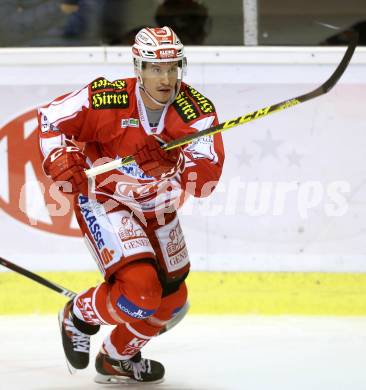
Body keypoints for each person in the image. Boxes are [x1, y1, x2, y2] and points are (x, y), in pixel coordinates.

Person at [38, 26, 225, 384]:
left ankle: (115, 359)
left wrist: (177, 164)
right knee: (140, 292)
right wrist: (61, 158)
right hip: (104, 198)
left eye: (172, 68)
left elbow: (205, 183)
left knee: (172, 299)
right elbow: (50, 119)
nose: (166, 78)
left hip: (157, 204)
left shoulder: (196, 112)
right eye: (155, 68)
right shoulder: (105, 98)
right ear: (137, 67)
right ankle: (78, 314)